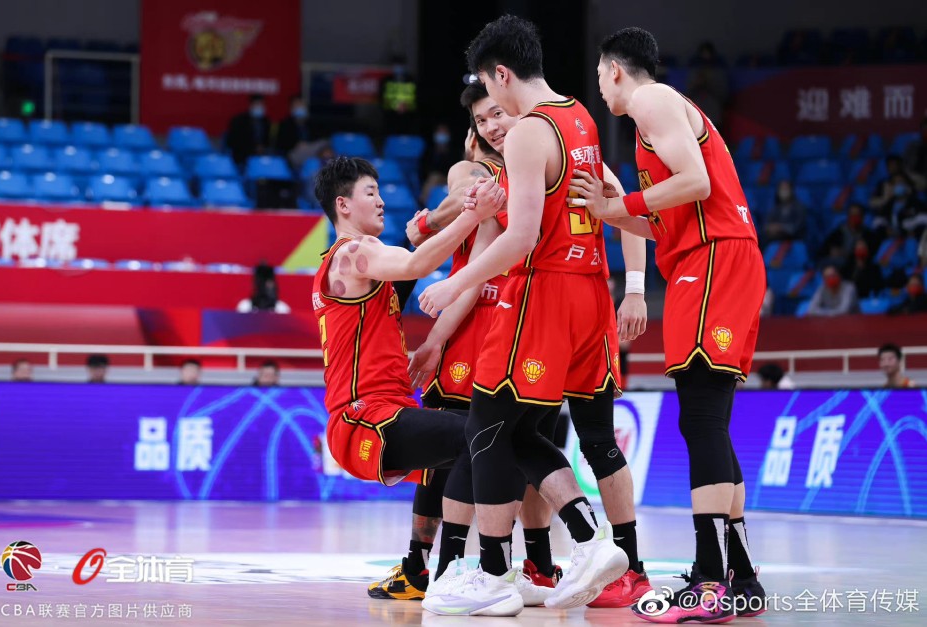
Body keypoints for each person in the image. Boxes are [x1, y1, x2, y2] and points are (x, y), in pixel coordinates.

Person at [411, 81, 653, 608]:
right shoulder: (551, 144)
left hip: (545, 307)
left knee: (528, 432)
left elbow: (626, 213)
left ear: (510, 89)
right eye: (481, 122)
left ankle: (587, 563)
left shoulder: (546, 142)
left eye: (496, 113)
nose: (492, 126)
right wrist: (435, 336)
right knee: (515, 433)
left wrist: (635, 288)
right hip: (559, 309)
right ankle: (556, 557)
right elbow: (476, 244)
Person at [586, 26, 767, 622]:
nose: (600, 86)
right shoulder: (655, 121)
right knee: (709, 419)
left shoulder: (652, 100)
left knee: (701, 418)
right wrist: (611, 212)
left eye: (600, 74)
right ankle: (740, 575)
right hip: (707, 257)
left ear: (615, 69)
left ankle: (710, 579)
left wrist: (621, 205)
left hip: (714, 259)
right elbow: (665, 221)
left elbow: (697, 183)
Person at [312, 156, 503, 603]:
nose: (382, 201)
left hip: (386, 409)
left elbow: (409, 261)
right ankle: (455, 571)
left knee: (452, 450)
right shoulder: (352, 253)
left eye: (380, 191)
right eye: (370, 193)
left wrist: (436, 227)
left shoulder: (365, 266)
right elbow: (416, 264)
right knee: (481, 438)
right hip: (363, 417)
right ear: (343, 205)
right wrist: (473, 215)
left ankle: (416, 570)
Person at [225, 94, 271, 166]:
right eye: (257, 104)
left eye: (261, 105)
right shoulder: (239, 121)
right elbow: (232, 141)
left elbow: (268, 141)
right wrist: (253, 148)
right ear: (251, 105)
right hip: (243, 155)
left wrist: (263, 147)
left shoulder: (266, 121)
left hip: (262, 155)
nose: (259, 107)